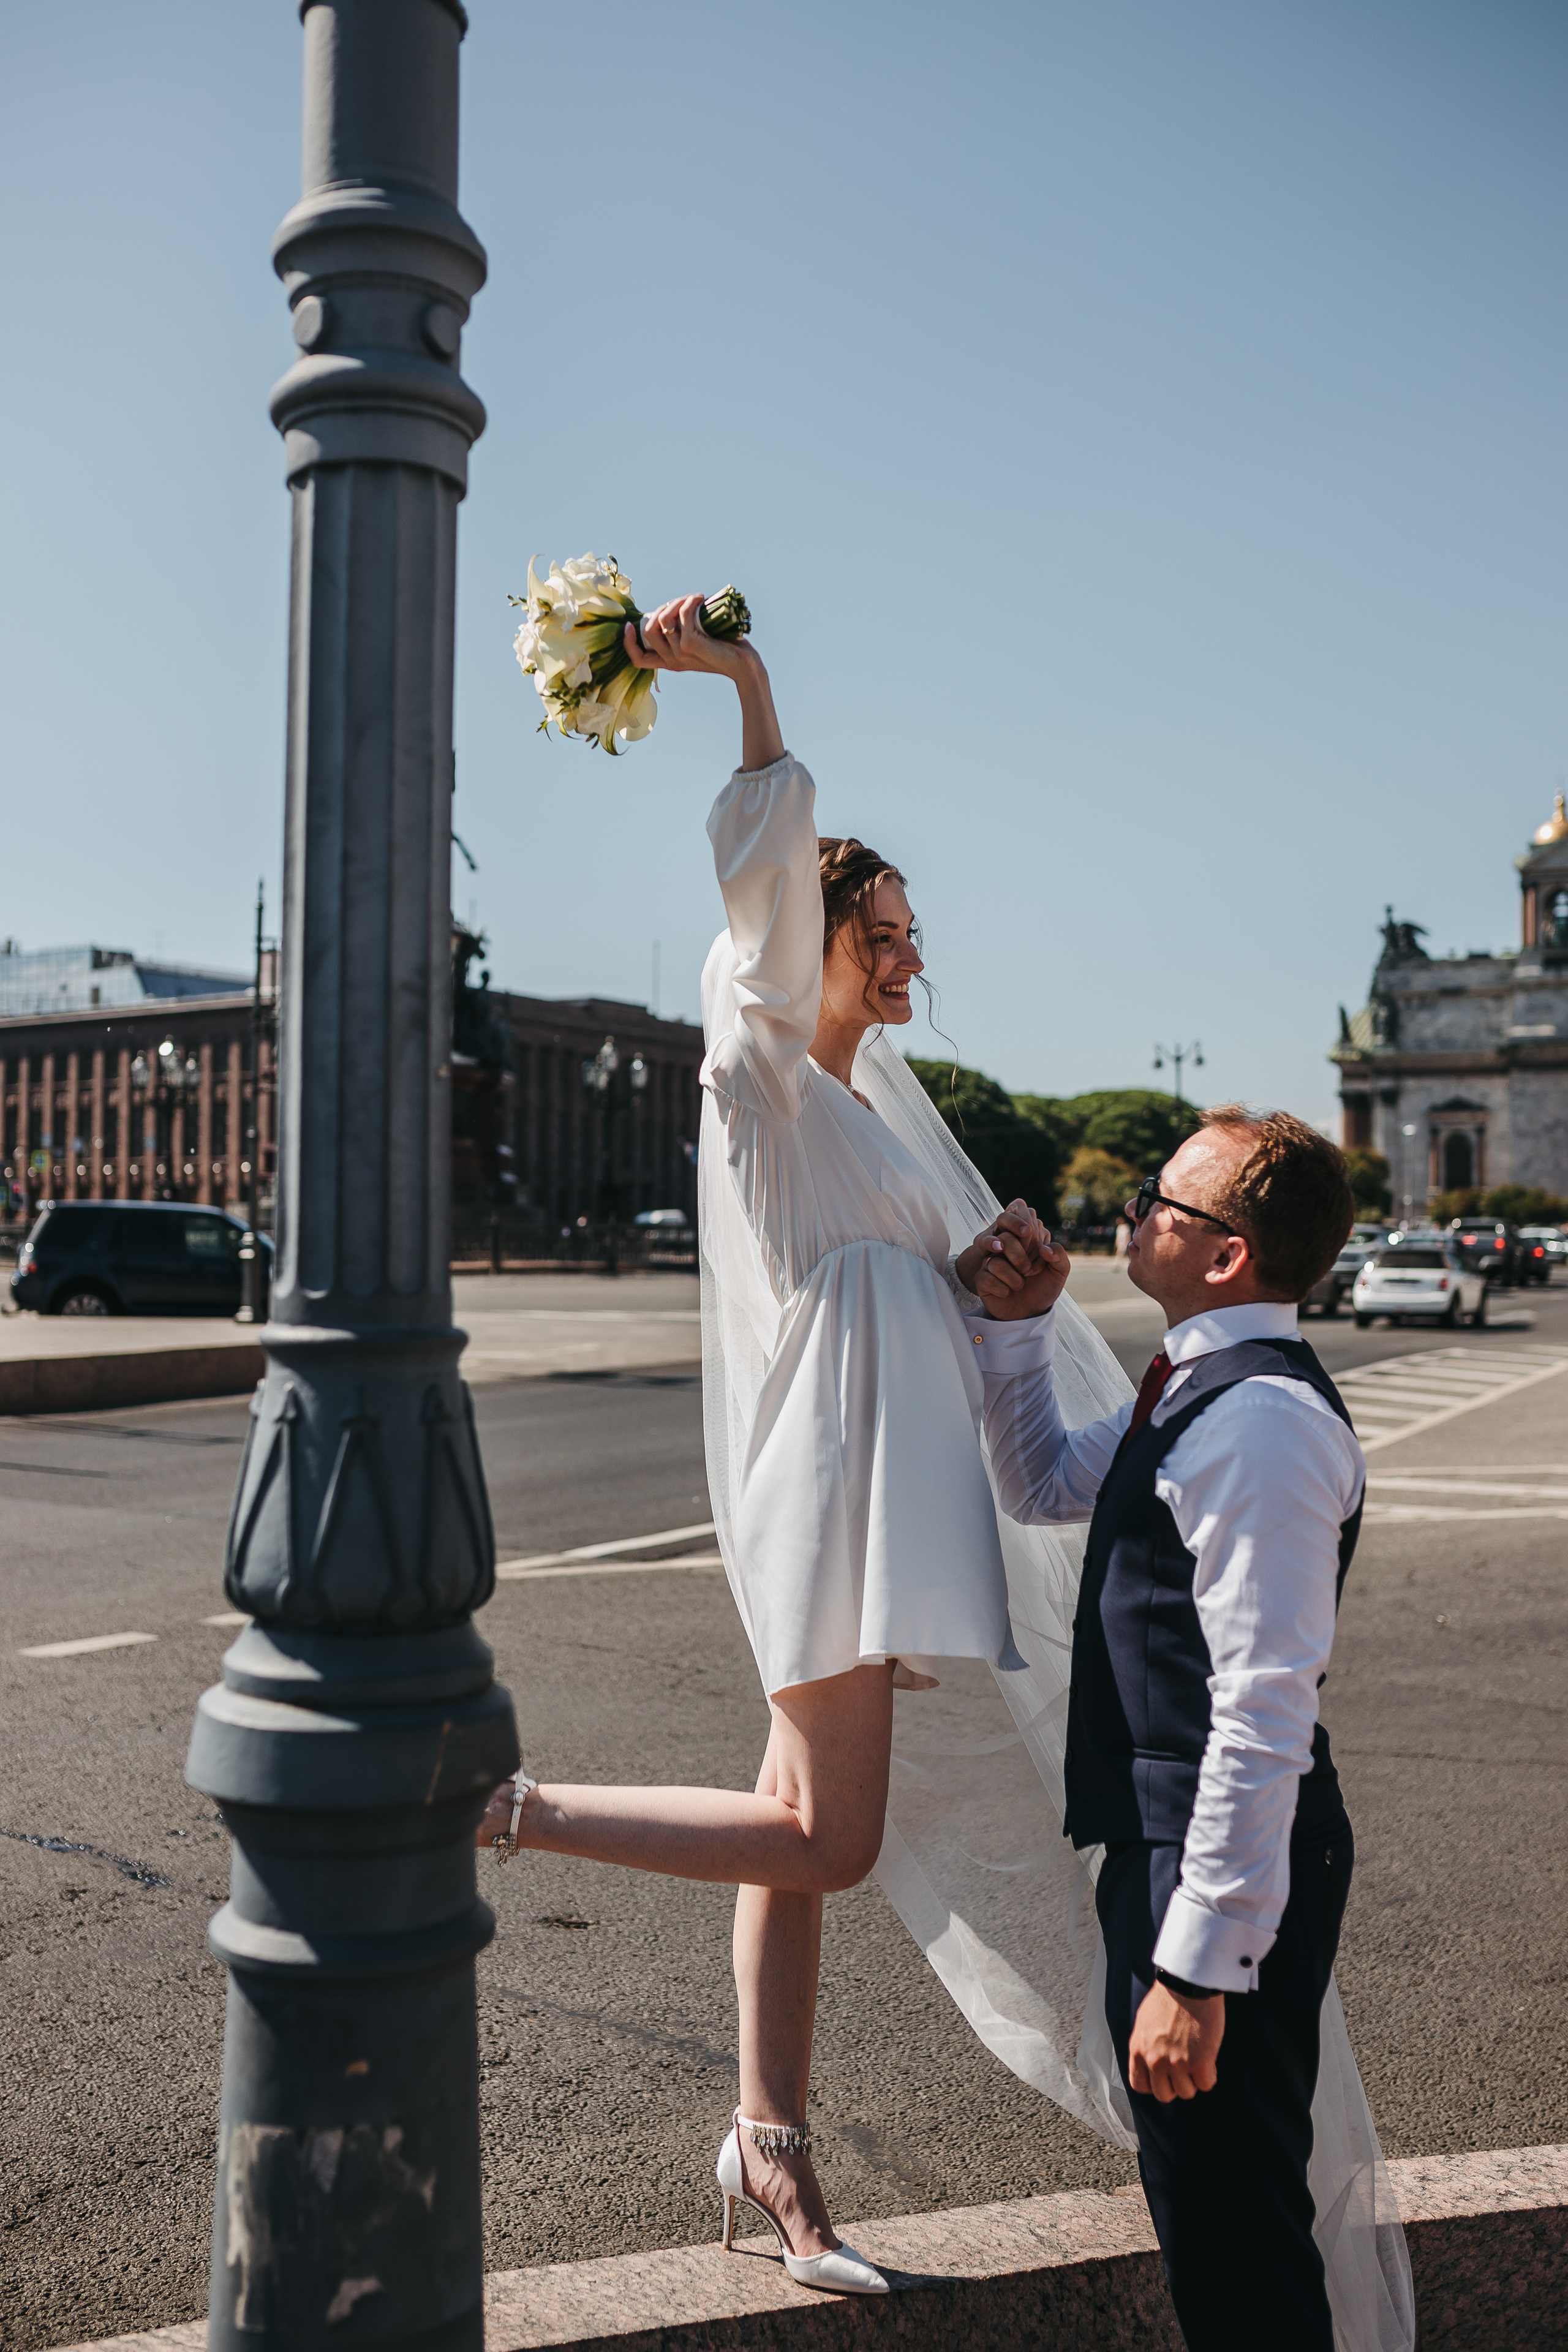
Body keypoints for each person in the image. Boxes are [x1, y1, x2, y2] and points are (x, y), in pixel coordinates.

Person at [476, 597, 1036, 2293]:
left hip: (876, 1491)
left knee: (796, 1825)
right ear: (810, 935)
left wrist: (992, 1285)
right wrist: (746, 683)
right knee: (832, 1843)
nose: (913, 956)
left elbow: (911, 1309)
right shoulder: (765, 1049)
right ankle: (499, 1813)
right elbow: (768, 871)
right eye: (889, 930)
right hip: (826, 1489)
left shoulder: (866, 1115)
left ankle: (770, 2144)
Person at [958, 1109, 1388, 2351]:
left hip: (1214, 1870)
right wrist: (1018, 1329)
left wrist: (1195, 1971)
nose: (1133, 1208)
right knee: (1212, 2211)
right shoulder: (1193, 1385)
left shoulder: (1258, 1421)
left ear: (1225, 1256)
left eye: (1163, 1198)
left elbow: (1263, 1713)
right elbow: (1038, 1482)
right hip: (1175, 1853)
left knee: (1234, 2231)